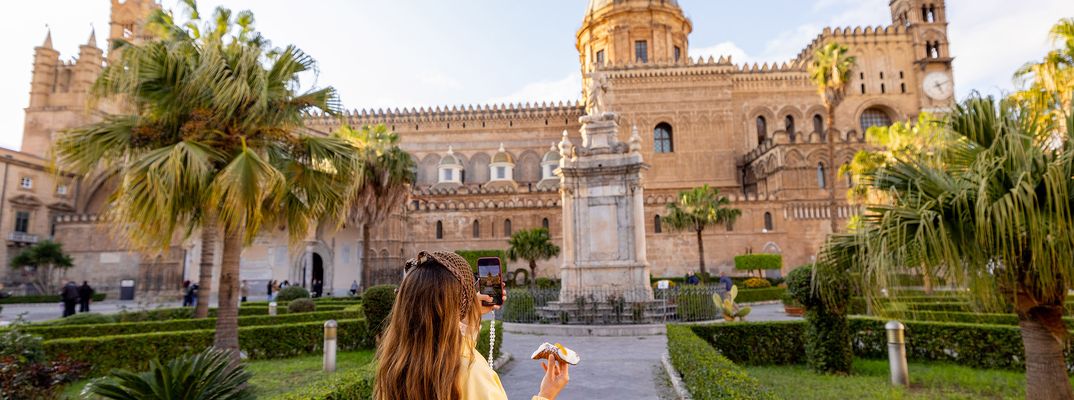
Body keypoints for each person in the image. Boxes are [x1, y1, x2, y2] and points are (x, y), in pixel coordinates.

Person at [375, 251, 569, 400]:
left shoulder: (395, 367)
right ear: (458, 307)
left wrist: (468, 312)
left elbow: (445, 336)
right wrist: (546, 394)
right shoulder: (469, 372)